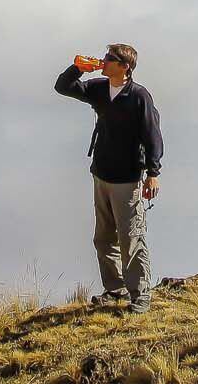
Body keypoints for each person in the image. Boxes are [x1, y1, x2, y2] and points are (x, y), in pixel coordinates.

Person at [55, 43, 162, 313]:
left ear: (124, 67)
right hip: (101, 174)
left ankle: (141, 295)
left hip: (127, 178)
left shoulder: (139, 96)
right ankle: (115, 290)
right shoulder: (100, 88)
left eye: (109, 59)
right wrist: (78, 68)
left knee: (131, 237)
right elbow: (63, 86)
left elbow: (152, 135)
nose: (103, 61)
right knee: (103, 237)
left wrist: (153, 173)